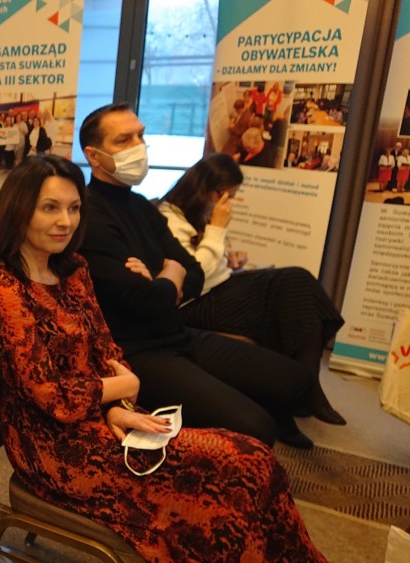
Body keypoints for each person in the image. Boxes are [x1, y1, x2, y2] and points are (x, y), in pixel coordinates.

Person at [0, 153, 326, 561]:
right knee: (232, 479)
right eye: (50, 208)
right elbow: (50, 394)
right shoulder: (2, 289)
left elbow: (106, 349)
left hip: (101, 421)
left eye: (74, 208)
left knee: (254, 460)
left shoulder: (73, 270)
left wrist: (117, 406)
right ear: (18, 211)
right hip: (52, 449)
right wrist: (124, 387)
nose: (65, 221)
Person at [78, 102, 315, 448]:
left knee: (295, 381)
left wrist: (162, 277)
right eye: (124, 140)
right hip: (138, 353)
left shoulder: (141, 205)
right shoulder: (90, 217)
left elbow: (193, 273)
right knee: (257, 428)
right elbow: (149, 301)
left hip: (178, 333)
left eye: (141, 136)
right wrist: (168, 273)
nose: (139, 146)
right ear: (94, 156)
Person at [158, 153, 346, 425]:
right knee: (290, 289)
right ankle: (304, 390)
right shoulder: (168, 219)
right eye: (228, 196)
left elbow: (209, 260)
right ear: (209, 191)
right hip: (194, 304)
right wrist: (217, 230)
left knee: (295, 284)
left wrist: (229, 260)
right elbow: (193, 276)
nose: (229, 202)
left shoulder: (197, 212)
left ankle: (304, 385)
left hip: (220, 286)